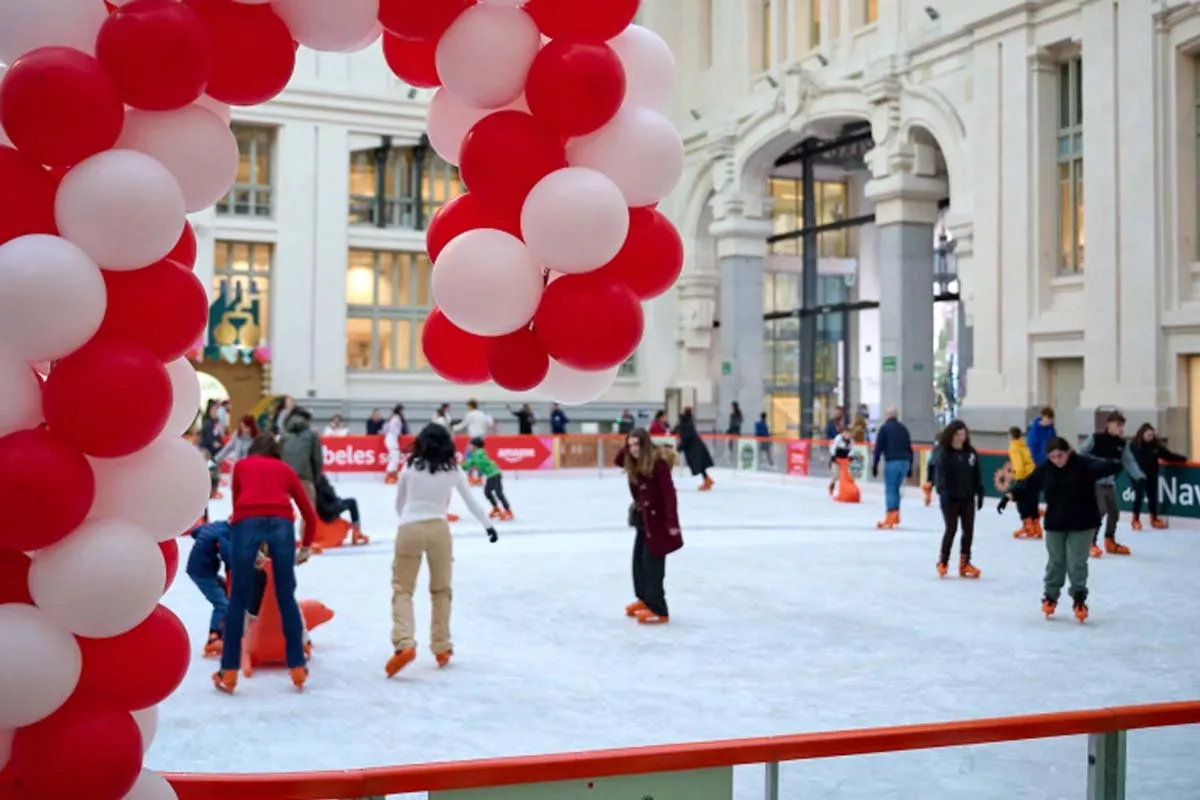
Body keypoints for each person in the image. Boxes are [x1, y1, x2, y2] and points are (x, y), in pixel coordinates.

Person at [386, 425, 498, 677]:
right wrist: (488, 526)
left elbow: (399, 504)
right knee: (441, 590)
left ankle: (404, 642)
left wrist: (407, 520)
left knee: (402, 588)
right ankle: (442, 647)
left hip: (410, 527)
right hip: (439, 529)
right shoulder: (453, 470)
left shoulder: (410, 467)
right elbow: (471, 502)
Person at [213, 434, 317, 694]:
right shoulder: (285, 470)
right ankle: (297, 666)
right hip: (282, 524)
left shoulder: (242, 466)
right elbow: (309, 514)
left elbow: (237, 506)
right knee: (286, 597)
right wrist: (306, 546)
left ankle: (229, 671)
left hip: (246, 524)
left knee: (238, 599)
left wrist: (250, 547)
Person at [1007, 437, 1125, 623]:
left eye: (1060, 456)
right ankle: (1050, 596)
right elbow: (1030, 484)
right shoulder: (1046, 468)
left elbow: (1104, 466)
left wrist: (1116, 463)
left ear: (1068, 452)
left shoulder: (1083, 464)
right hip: (1056, 523)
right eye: (1052, 457)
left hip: (1082, 523)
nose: (1057, 460)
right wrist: (1012, 493)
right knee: (1056, 562)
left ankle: (1079, 598)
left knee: (1076, 563)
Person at [615, 428, 682, 625]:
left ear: (645, 445)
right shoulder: (634, 462)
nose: (633, 449)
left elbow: (669, 495)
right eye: (630, 445)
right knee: (638, 563)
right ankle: (644, 600)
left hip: (658, 523)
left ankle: (659, 609)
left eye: (637, 445)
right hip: (643, 521)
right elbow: (618, 460)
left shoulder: (658, 464)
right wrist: (627, 447)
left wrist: (672, 523)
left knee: (652, 566)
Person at [1079, 411, 1144, 558]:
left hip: (1110, 483)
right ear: (1109, 424)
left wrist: (1139, 476)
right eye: (1117, 425)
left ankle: (1110, 540)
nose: (1120, 429)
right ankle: (1089, 542)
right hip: (1095, 481)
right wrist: (1098, 463)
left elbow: (1128, 461)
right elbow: (1081, 454)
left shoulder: (1122, 444)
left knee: (1114, 512)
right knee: (1100, 510)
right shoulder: (1096, 438)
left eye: (1122, 426)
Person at [934, 420, 984, 579]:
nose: (961, 438)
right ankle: (943, 561)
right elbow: (939, 475)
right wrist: (942, 491)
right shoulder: (944, 454)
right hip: (950, 498)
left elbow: (976, 473)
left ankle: (965, 562)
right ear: (951, 435)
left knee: (968, 530)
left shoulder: (970, 453)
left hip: (967, 497)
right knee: (951, 528)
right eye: (958, 434)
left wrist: (979, 490)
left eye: (963, 434)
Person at [186, 512, 232, 657]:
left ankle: (225, 631)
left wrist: (206, 542)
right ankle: (214, 637)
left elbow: (195, 532)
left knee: (225, 591)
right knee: (222, 604)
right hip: (202, 573)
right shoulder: (224, 534)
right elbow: (228, 556)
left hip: (199, 568)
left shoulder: (215, 526)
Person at [1129, 423, 1186, 530]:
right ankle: (1135, 520)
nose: (1150, 437)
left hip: (1152, 475)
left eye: (1152, 435)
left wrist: (1182, 459)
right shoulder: (1134, 446)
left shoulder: (1155, 447)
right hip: (1138, 476)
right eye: (1148, 435)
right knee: (1138, 496)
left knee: (1152, 497)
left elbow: (1168, 455)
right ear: (1142, 434)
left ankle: (1154, 518)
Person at [281, 407, 323, 545]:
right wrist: (315, 478)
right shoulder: (312, 435)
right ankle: (306, 542)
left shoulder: (283, 435)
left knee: (279, 508)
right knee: (308, 509)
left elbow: (277, 457)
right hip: (304, 476)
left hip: (284, 477)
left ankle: (278, 539)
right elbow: (317, 459)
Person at [871, 408, 913, 529]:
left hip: (892, 461)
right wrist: (910, 466)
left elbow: (878, 448)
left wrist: (875, 464)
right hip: (905, 462)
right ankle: (896, 515)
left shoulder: (884, 429)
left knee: (890, 489)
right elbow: (909, 448)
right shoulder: (903, 429)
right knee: (897, 489)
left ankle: (890, 516)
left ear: (887, 415)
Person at [464, 437, 512, 520]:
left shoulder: (479, 453)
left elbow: (475, 461)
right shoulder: (475, 455)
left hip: (495, 474)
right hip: (491, 475)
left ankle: (508, 511)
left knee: (499, 493)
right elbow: (468, 464)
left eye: (470, 445)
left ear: (475, 446)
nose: (469, 447)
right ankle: (496, 508)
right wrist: (457, 467)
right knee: (487, 492)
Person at [315, 473, 369, 546]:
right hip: (327, 510)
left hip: (318, 510)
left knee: (338, 504)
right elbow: (330, 495)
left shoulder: (307, 480)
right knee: (352, 502)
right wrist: (338, 500)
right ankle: (356, 532)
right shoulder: (320, 478)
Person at [1007, 426, 1040, 539]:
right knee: (1032, 501)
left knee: (1021, 502)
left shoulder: (1014, 447)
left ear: (1010, 436)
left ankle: (1028, 527)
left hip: (1025, 476)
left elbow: (1019, 464)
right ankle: (1037, 528)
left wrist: (1019, 480)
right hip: (1033, 474)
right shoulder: (1023, 444)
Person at [674, 407, 714, 491]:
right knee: (701, 466)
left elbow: (686, 438)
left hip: (694, 449)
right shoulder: (688, 422)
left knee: (699, 465)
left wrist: (679, 448)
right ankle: (707, 480)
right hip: (696, 447)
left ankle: (707, 481)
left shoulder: (685, 424)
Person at [383, 404, 407, 485]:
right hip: (391, 438)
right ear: (399, 410)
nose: (403, 412)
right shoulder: (396, 418)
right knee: (395, 458)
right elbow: (393, 428)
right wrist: (398, 433)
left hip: (392, 438)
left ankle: (393, 475)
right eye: (402, 410)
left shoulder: (395, 418)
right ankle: (389, 476)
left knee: (394, 457)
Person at [829, 428, 854, 495]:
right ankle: (832, 485)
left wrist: (850, 456)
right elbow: (833, 447)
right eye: (846, 433)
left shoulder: (851, 440)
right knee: (836, 474)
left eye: (849, 434)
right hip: (836, 459)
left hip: (845, 459)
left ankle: (845, 489)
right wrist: (833, 456)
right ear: (843, 433)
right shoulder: (838, 438)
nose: (847, 435)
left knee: (847, 474)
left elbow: (852, 449)